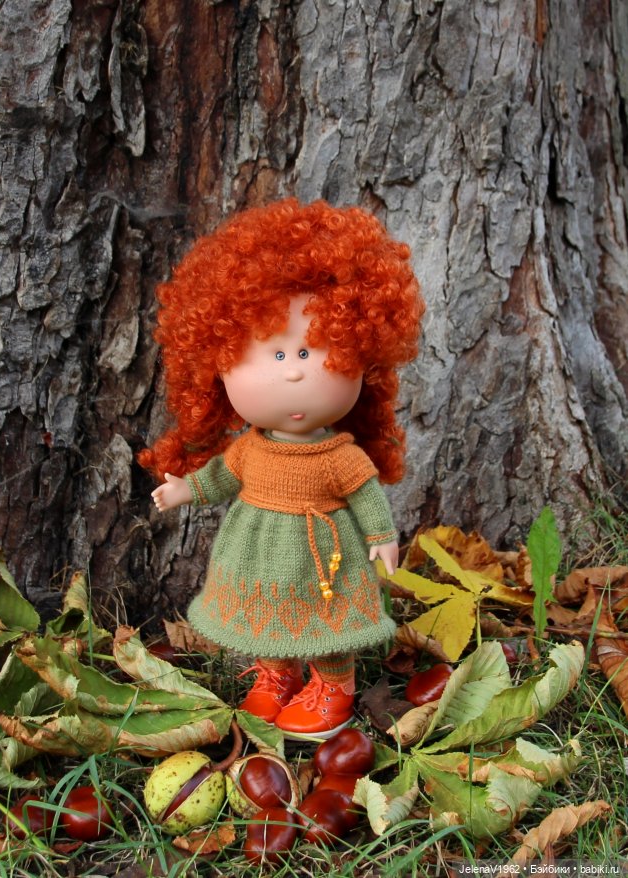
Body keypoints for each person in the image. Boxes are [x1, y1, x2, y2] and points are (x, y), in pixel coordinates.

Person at [139, 198, 424, 740]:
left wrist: (383, 537)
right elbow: (222, 476)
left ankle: (334, 685)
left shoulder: (339, 455)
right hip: (258, 549)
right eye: (274, 354)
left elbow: (365, 494)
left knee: (326, 625)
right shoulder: (250, 448)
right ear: (219, 363)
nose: (294, 373)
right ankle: (276, 675)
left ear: (361, 356)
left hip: (324, 556)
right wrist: (184, 490)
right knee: (266, 617)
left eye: (313, 351)